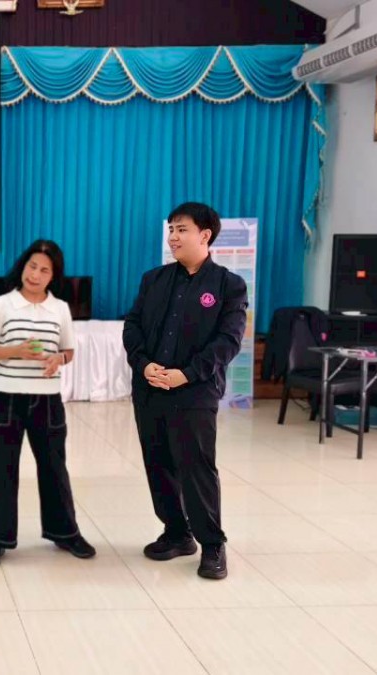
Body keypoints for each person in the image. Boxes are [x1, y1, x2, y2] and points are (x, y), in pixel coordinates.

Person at [123, 202, 247, 580]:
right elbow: (132, 326)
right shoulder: (154, 280)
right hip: (151, 388)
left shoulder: (228, 285)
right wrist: (143, 364)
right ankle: (177, 533)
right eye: (171, 230)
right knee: (158, 463)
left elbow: (228, 341)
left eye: (181, 230)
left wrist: (187, 374)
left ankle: (212, 544)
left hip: (194, 393)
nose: (173, 237)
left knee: (196, 468)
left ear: (204, 235)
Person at [0, 239, 96, 566]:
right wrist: (17, 351)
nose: (36, 275)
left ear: (53, 276)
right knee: (1, 468)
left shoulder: (60, 309)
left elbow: (68, 351)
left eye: (45, 270)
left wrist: (59, 358)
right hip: (5, 399)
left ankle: (65, 532)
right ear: (22, 267)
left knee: (54, 467)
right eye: (32, 266)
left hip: (47, 400)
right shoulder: (3, 304)